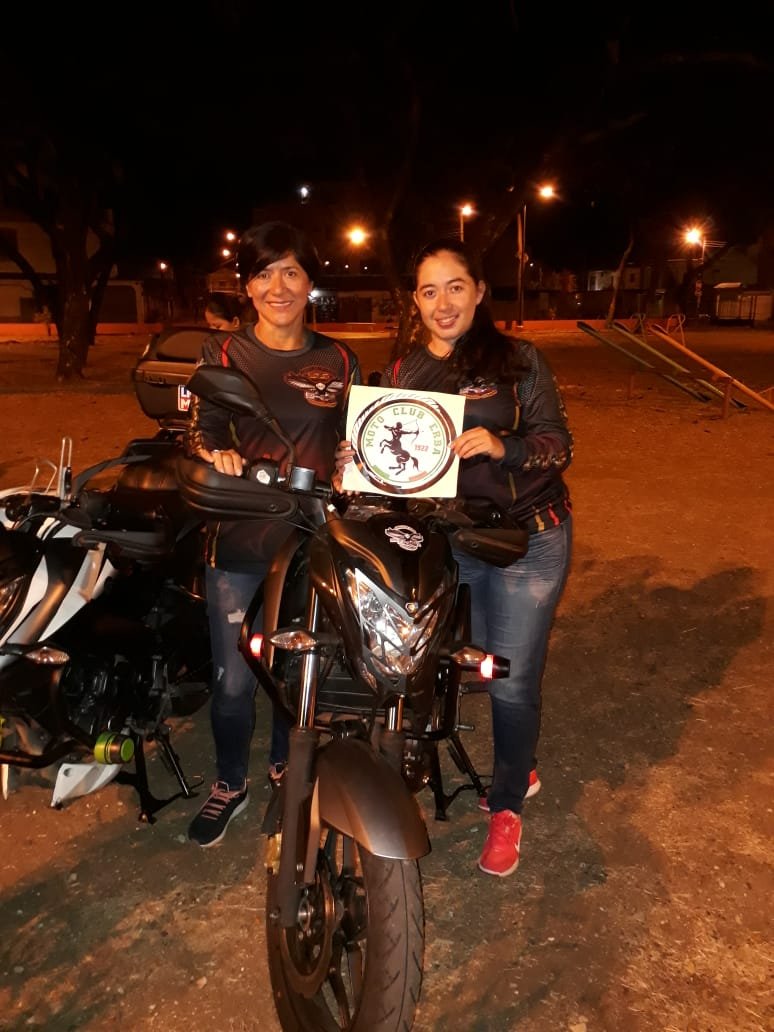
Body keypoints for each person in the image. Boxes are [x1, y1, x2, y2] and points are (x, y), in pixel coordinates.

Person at [336, 237, 573, 877]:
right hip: (449, 542)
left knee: (511, 677)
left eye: (456, 287)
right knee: (450, 667)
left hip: (528, 535)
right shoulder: (403, 371)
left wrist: (504, 446)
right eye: (429, 290)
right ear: (415, 301)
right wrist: (355, 462)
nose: (443, 303)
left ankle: (508, 802)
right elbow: (390, 468)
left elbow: (558, 444)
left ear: (479, 291)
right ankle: (505, 763)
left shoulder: (520, 360)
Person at [185, 221, 361, 847]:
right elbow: (202, 428)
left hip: (311, 536)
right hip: (239, 535)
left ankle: (286, 765)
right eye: (263, 273)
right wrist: (215, 453)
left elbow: (356, 434)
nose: (278, 287)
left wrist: (351, 459)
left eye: (291, 271)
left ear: (311, 282)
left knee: (295, 664)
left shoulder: (340, 360)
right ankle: (230, 782)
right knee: (234, 677)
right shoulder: (224, 353)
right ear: (247, 286)